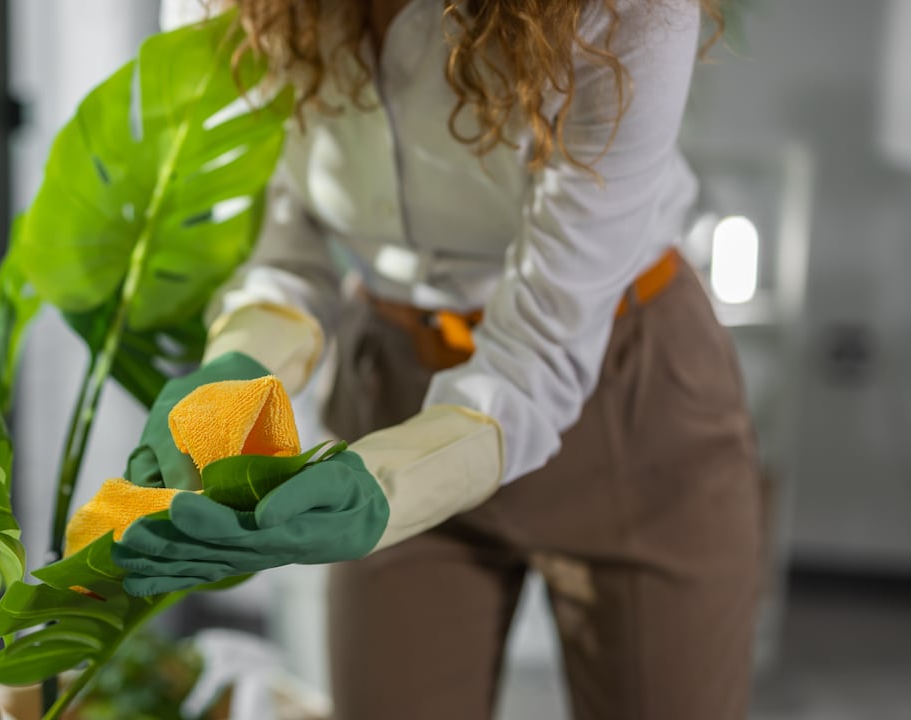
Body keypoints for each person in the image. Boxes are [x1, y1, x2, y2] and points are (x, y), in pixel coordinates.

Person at [112, 1, 763, 718]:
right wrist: (239, 363)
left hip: (626, 395)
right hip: (392, 389)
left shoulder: (623, 12)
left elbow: (541, 346)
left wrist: (386, 485)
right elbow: (287, 226)